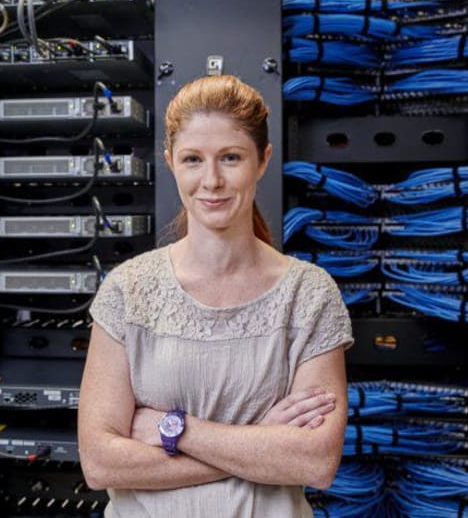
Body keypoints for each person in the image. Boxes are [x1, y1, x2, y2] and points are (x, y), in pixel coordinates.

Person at [77, 74, 353, 517]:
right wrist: (259, 444)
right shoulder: (127, 291)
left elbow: (314, 461)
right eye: (192, 159)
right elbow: (99, 463)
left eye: (230, 157)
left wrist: (176, 429)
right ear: (170, 163)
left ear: (262, 161)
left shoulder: (309, 295)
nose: (212, 180)